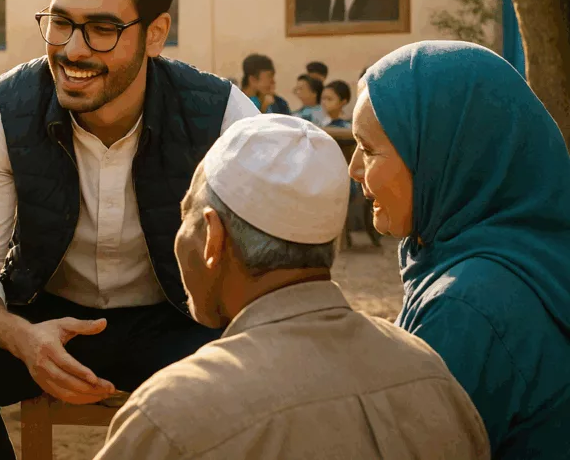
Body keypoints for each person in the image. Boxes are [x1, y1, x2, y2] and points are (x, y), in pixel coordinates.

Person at [0, 0, 259, 460]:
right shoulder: (4, 108)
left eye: (102, 28)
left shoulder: (221, 114)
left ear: (155, 33)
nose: (73, 51)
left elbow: (258, 275)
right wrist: (19, 337)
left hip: (177, 321)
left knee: (258, 378)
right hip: (42, 316)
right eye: (60, 22)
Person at [95, 115, 489, 459]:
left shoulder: (172, 414)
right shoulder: (430, 375)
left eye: (187, 215)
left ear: (213, 237)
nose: (181, 236)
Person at [350, 41, 570, 457]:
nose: (354, 170)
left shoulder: (467, 307)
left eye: (368, 149)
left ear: (440, 155)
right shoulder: (536, 255)